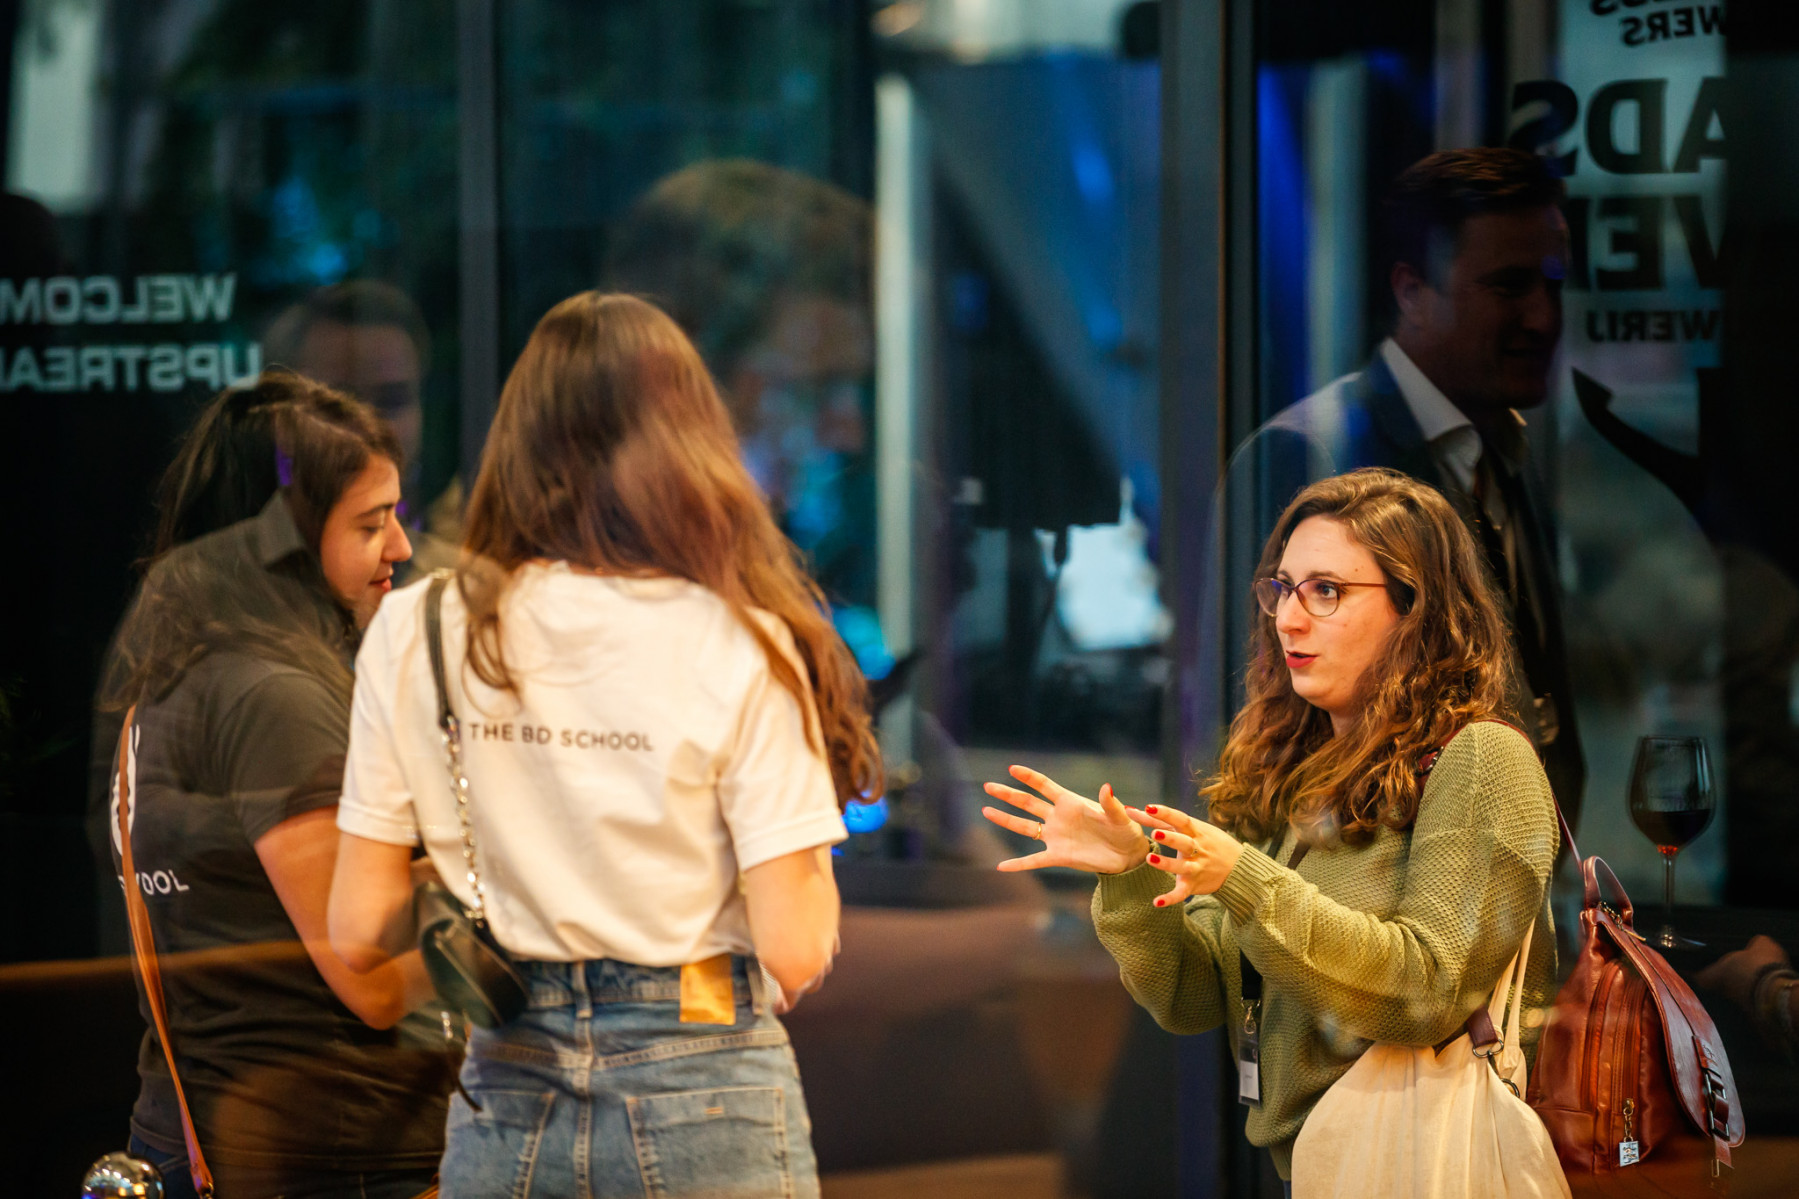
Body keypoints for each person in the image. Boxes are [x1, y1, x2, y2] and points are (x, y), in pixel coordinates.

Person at [327, 292, 882, 1198]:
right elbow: (792, 945)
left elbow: (357, 927)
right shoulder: (738, 636)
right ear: (688, 444)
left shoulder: (416, 626)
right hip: (706, 1071)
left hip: (506, 1084)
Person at [983, 468, 1560, 1190]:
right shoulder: (1292, 769)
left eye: (1327, 591)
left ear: (1415, 607)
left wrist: (1245, 880)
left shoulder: (1481, 757)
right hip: (1313, 1168)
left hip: (1424, 1162)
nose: (1288, 618)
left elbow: (1428, 989)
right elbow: (1191, 996)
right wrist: (1128, 873)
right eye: (1283, 588)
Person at [100, 370, 446, 1197]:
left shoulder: (180, 678)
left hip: (236, 1137)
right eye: (371, 523)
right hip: (330, 1155)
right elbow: (372, 979)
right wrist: (515, 904)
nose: (400, 547)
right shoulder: (272, 698)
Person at [1215, 148, 1585, 828]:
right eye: (1508, 287)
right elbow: (1253, 714)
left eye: (1553, 285)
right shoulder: (1312, 449)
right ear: (1412, 292)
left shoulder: (1504, 439)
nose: (1543, 317)